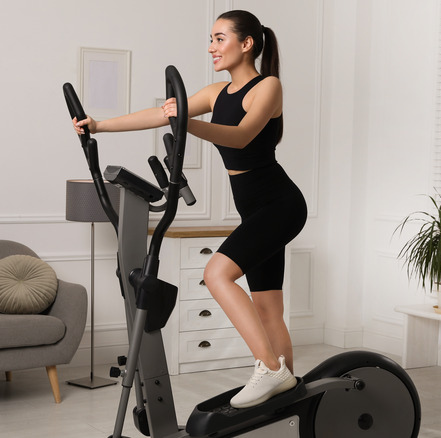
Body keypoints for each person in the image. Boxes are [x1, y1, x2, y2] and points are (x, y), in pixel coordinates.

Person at [73, 10, 307, 409]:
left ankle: (270, 369)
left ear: (246, 43)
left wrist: (185, 123)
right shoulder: (217, 92)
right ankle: (288, 394)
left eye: (220, 38)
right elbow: (157, 114)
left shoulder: (268, 87)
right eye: (211, 39)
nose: (212, 47)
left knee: (216, 273)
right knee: (269, 308)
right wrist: (99, 125)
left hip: (280, 205)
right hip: (256, 210)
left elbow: (242, 135)